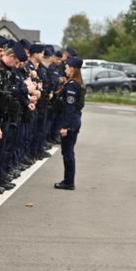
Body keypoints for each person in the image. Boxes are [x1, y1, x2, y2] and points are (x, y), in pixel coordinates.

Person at [54, 56, 85, 190]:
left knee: (68, 153)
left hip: (71, 122)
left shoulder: (72, 85)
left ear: (72, 69)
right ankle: (68, 180)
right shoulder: (75, 84)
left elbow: (69, 108)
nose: (65, 70)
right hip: (74, 121)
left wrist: (65, 126)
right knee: (68, 152)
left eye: (67, 67)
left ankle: (68, 181)